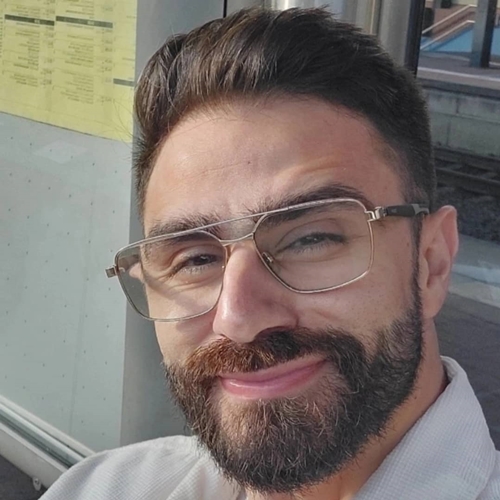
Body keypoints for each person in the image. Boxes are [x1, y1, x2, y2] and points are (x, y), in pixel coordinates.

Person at [42, 8, 499, 500]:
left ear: (431, 263)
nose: (238, 320)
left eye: (310, 239)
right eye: (195, 260)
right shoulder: (100, 488)